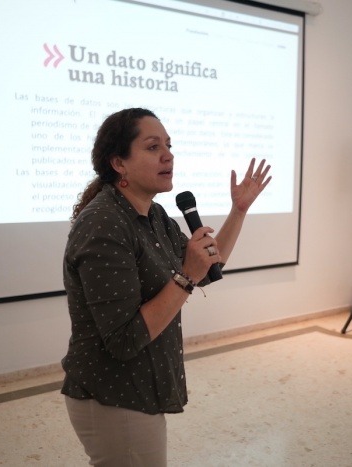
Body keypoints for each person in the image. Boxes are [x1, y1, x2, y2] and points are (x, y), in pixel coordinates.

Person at [61, 107, 271, 466]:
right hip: (113, 393)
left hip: (139, 386)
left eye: (169, 145)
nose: (168, 155)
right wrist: (186, 276)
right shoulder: (103, 224)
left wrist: (238, 211)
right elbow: (125, 338)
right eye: (152, 146)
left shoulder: (154, 215)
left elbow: (204, 269)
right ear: (119, 163)